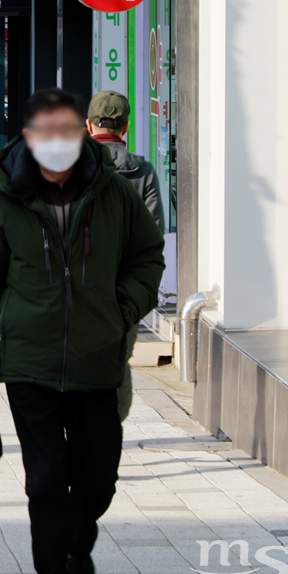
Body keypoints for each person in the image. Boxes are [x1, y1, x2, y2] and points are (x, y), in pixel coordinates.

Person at [0, 88, 164, 574]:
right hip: (28, 363)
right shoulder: (1, 201)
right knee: (45, 479)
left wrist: (122, 310)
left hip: (98, 358)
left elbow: (147, 257)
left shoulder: (115, 194)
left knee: (97, 479)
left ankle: (76, 538)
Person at [87, 91, 166, 422]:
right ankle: (108, 437)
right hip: (124, 291)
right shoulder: (143, 171)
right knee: (116, 360)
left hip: (76, 287)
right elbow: (153, 236)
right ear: (127, 127)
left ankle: (75, 439)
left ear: (89, 127)